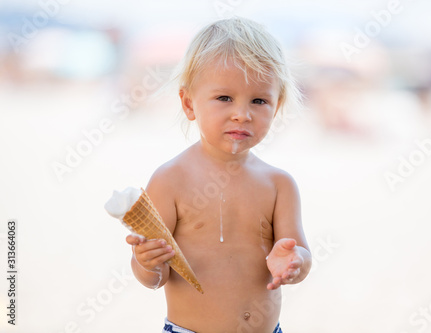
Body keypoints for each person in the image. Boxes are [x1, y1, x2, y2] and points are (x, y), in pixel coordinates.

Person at [125, 17, 312, 333]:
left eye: (259, 100)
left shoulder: (279, 185)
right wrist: (146, 262)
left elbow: (303, 258)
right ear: (188, 103)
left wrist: (294, 261)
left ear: (276, 106)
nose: (243, 113)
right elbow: (155, 280)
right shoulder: (170, 181)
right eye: (224, 98)